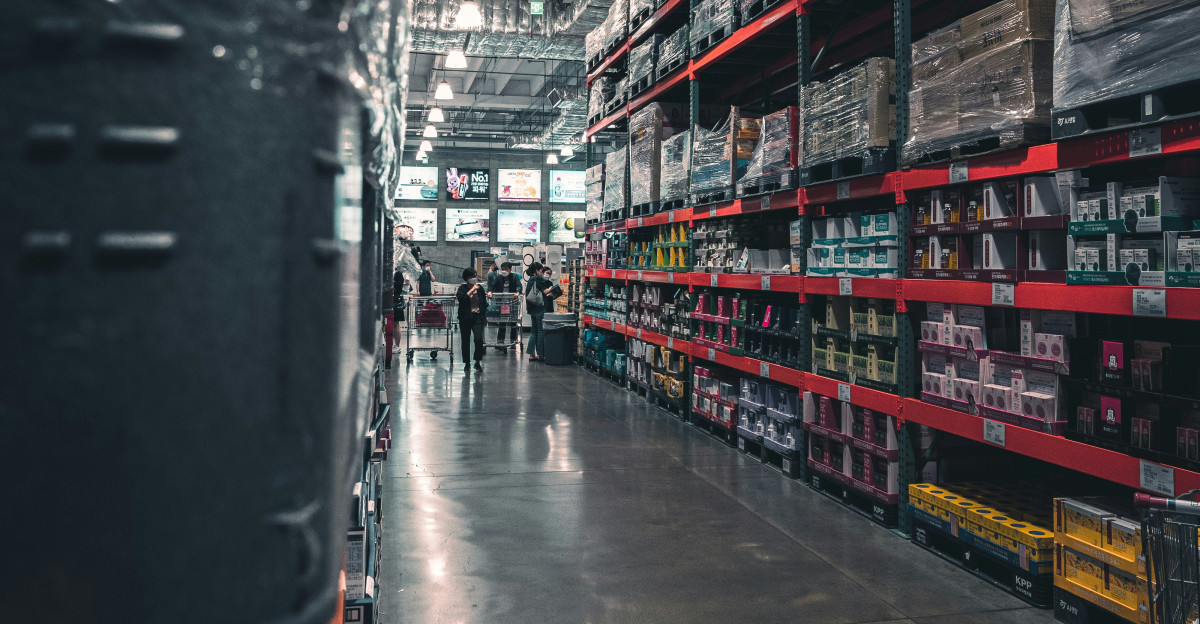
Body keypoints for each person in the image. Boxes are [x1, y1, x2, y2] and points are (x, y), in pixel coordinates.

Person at [456, 268, 488, 372]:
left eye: (475, 276)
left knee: (478, 339)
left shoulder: (480, 288)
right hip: (465, 318)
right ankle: (467, 363)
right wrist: (471, 290)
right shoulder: (462, 288)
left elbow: (484, 302)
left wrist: (484, 316)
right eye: (471, 277)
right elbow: (462, 299)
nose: (474, 278)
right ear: (467, 278)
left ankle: (477, 362)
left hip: (477, 317)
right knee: (465, 340)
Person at [488, 262, 522, 353]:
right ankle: (500, 342)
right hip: (502, 303)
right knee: (502, 322)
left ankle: (513, 342)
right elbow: (492, 286)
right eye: (502, 269)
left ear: (510, 270)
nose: (504, 271)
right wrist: (490, 291)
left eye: (506, 269)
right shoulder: (499, 278)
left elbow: (519, 286)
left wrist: (517, 292)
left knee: (513, 322)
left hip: (512, 303)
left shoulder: (514, 277)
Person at [524, 263, 554, 362]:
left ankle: (532, 355)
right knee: (541, 331)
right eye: (541, 271)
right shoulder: (537, 279)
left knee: (533, 332)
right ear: (537, 271)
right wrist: (553, 289)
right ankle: (541, 354)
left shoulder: (530, 279)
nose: (542, 273)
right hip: (539, 308)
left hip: (531, 308)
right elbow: (546, 292)